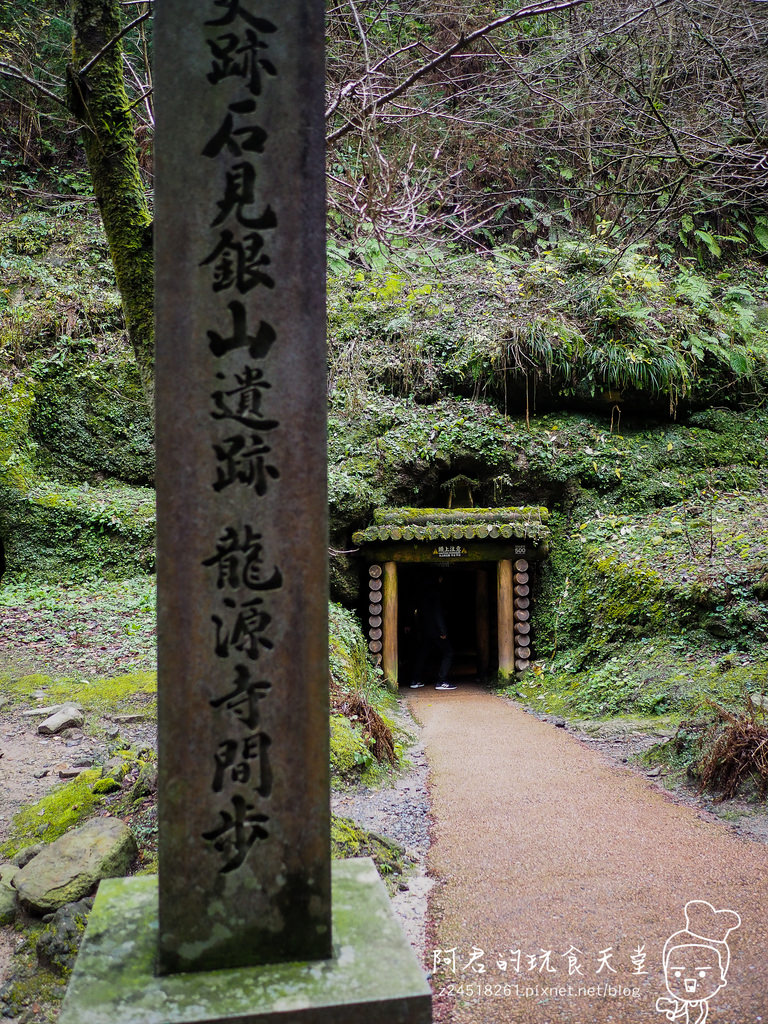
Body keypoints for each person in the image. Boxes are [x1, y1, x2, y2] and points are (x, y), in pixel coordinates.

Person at [409, 572, 455, 690]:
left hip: (424, 630)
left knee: (422, 653)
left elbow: (415, 611)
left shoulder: (421, 592)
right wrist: (443, 631)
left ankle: (415, 680)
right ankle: (441, 681)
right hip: (435, 630)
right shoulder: (436, 593)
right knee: (448, 652)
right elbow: (437, 613)